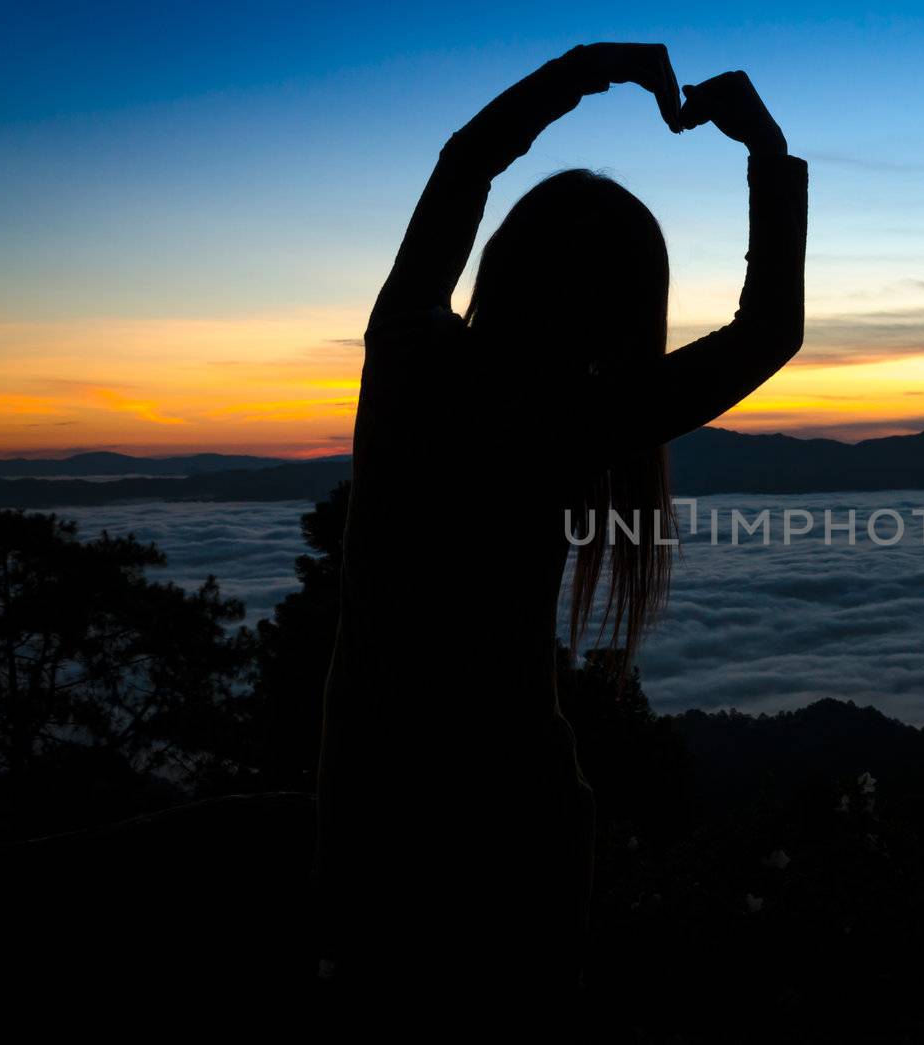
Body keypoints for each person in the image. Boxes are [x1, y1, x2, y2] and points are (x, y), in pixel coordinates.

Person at [314, 42, 807, 1001]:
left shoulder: (406, 349)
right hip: (511, 837)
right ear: (621, 319)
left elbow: (466, 163)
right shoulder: (570, 421)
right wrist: (766, 150)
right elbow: (768, 332)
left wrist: (590, 69)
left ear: (502, 263)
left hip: (364, 831)